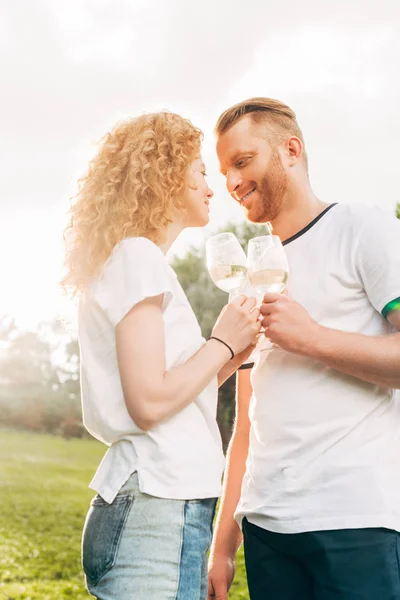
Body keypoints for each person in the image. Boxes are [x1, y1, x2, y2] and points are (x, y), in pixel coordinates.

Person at [61, 111, 261, 600]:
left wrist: (230, 357)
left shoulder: (135, 260)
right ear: (167, 178)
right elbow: (149, 402)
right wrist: (221, 343)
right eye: (199, 172)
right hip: (155, 508)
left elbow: (171, 394)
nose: (211, 188)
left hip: (163, 503)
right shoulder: (137, 257)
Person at [208, 97, 400, 600]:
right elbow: (245, 424)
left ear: (290, 150)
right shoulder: (249, 277)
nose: (231, 183)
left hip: (355, 521)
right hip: (267, 529)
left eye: (243, 162)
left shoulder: (364, 228)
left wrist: (313, 339)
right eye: (225, 170)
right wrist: (223, 547)